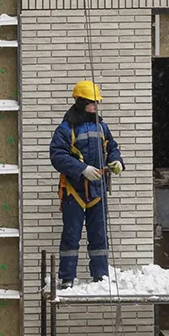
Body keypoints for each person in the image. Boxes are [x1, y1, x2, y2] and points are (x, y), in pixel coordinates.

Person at [49, 79, 123, 283]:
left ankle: (100, 276)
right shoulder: (66, 129)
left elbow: (112, 147)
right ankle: (67, 279)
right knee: (71, 235)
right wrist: (82, 169)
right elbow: (57, 155)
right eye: (92, 102)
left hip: (97, 190)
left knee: (99, 235)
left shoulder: (101, 126)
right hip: (75, 190)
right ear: (81, 102)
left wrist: (116, 161)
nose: (95, 106)